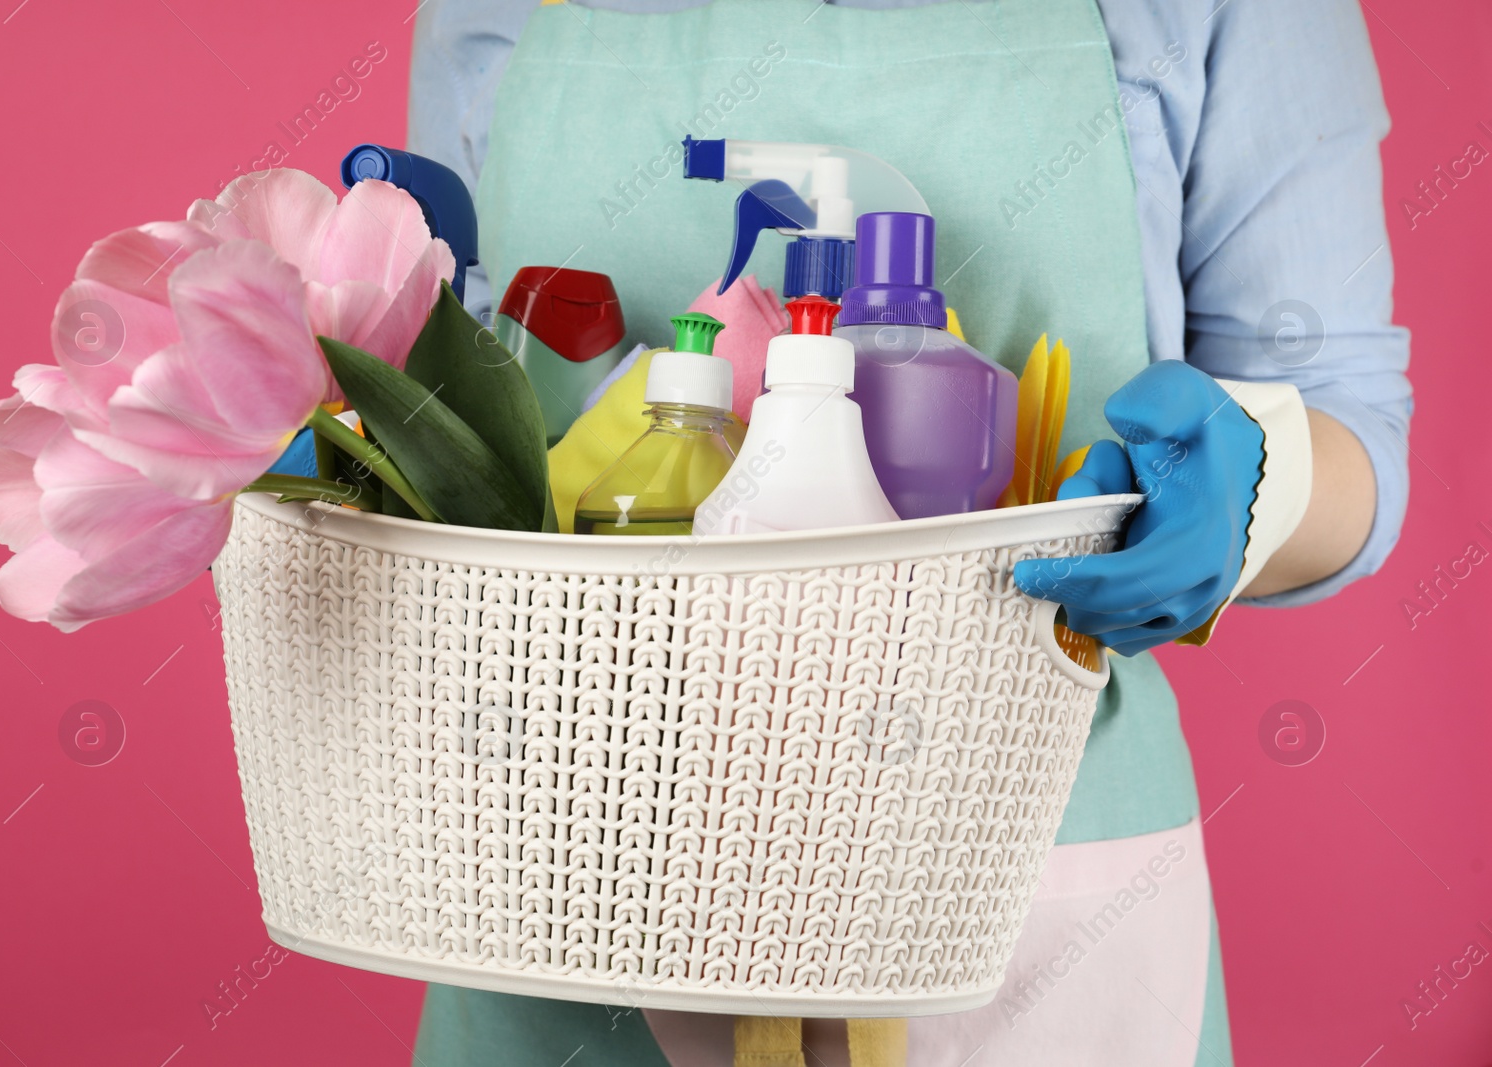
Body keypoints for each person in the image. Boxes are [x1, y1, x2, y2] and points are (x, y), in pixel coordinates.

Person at [405, 1, 1412, 1063]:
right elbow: (452, 360)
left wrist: (1257, 479)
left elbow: (1343, 412)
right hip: (576, 874)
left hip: (1025, 872)